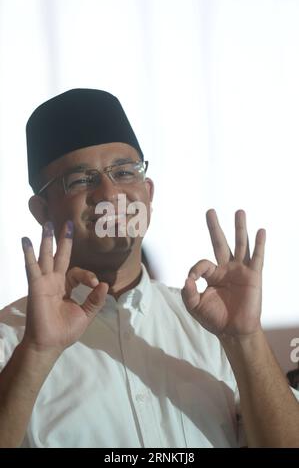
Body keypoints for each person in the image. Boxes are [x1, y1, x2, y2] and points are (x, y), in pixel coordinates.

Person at [0, 88, 298, 448]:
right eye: (81, 180)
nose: (111, 194)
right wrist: (36, 353)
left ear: (149, 193)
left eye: (125, 172)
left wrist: (245, 340)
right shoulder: (12, 340)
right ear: (43, 211)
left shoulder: (209, 327)